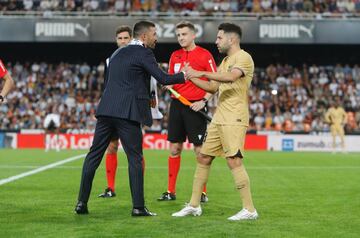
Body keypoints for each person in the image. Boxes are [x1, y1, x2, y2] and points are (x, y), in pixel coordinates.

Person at [75, 20, 186, 216]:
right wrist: (185, 74)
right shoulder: (144, 52)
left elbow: (109, 84)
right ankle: (138, 207)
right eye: (154, 34)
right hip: (127, 113)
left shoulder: (116, 54)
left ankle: (81, 203)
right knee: (135, 159)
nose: (156, 38)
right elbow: (163, 79)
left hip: (106, 110)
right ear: (144, 36)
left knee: (93, 156)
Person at [172, 23, 258, 220]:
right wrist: (190, 76)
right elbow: (212, 88)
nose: (216, 41)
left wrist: (199, 72)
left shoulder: (243, 57)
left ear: (232, 39)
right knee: (203, 157)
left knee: (233, 160)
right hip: (219, 118)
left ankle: (249, 209)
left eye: (219, 38)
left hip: (234, 118)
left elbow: (230, 77)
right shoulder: (226, 60)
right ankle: (194, 205)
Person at [98, 25, 164, 198]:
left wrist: (152, 98)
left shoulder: (139, 54)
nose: (122, 41)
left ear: (132, 39)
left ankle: (137, 189)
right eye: (119, 38)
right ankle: (110, 188)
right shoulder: (110, 59)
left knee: (135, 151)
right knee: (111, 147)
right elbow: (107, 85)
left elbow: (150, 80)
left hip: (132, 107)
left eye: (125, 38)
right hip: (114, 107)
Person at [157, 21, 216, 203]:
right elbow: (172, 79)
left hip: (196, 106)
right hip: (177, 105)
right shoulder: (175, 55)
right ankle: (170, 191)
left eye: (184, 34)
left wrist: (203, 100)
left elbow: (215, 83)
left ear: (193, 35)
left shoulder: (205, 55)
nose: (181, 38)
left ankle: (202, 192)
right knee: (174, 148)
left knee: (199, 151)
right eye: (179, 35)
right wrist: (169, 83)